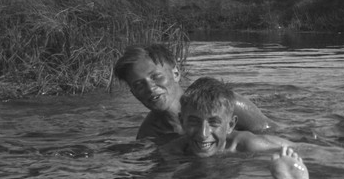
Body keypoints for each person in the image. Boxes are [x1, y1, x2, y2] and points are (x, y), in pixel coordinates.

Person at [161, 77, 311, 179]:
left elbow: (307, 148)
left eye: (214, 123)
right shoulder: (170, 152)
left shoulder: (249, 144)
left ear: (231, 125)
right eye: (194, 122)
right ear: (181, 121)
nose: (203, 134)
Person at [114, 44, 273, 141]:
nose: (150, 88)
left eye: (156, 77)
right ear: (133, 92)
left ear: (176, 73)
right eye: (139, 84)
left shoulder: (225, 103)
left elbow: (277, 133)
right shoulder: (150, 134)